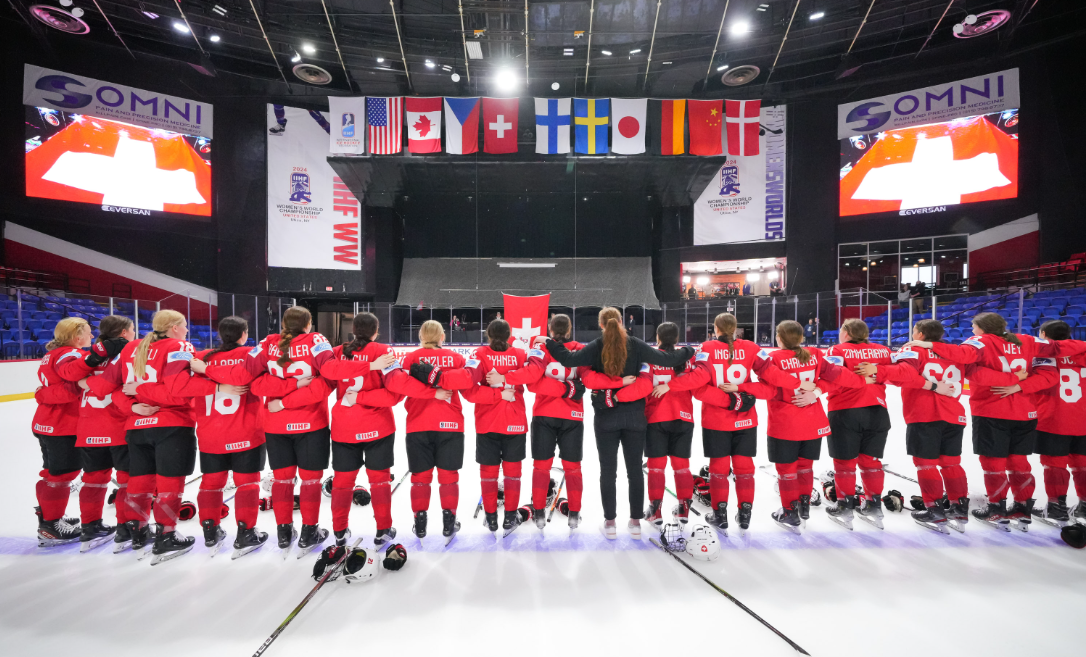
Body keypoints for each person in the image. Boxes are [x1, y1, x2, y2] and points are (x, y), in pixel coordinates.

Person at [193, 306, 365, 556]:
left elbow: (251, 380)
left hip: (275, 425)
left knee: (282, 480)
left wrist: (207, 369)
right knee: (310, 481)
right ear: (308, 324)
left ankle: (284, 534)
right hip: (311, 423)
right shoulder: (316, 340)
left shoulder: (267, 342)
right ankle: (309, 532)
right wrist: (295, 387)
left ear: (284, 323)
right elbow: (324, 383)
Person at [539, 307, 695, 539]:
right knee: (634, 472)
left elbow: (568, 358)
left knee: (608, 472)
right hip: (635, 418)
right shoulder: (635, 343)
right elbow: (668, 358)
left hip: (606, 417)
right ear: (622, 322)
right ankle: (635, 523)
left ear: (601, 325)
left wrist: (550, 342)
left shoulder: (596, 345)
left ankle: (610, 523)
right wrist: (690, 350)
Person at [904, 312, 1058, 529]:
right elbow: (1050, 372)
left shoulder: (980, 341)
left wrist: (930, 345)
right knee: (1019, 463)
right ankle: (1023, 508)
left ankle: (996, 508)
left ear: (982, 328)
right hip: (1026, 412)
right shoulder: (1028, 340)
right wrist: (1020, 383)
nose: (972, 331)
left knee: (993, 464)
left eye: (974, 327)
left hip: (991, 410)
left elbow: (971, 367)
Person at [655, 313, 805, 533]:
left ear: (716, 328)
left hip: (717, 420)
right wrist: (745, 392)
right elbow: (771, 386)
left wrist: (725, 400)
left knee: (718, 470)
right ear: (736, 329)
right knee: (745, 470)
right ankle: (745, 516)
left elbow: (697, 385)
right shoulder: (753, 348)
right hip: (746, 420)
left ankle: (720, 515)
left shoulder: (706, 347)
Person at [861, 319, 1012, 531]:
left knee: (926, 464)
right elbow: (981, 374)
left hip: (924, 415)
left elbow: (903, 374)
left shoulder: (915, 350)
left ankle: (934, 509)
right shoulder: (956, 354)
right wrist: (1014, 379)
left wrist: (877, 371)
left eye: (914, 331)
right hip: (954, 416)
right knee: (951, 464)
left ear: (920, 334)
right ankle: (959, 506)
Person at [83, 310, 205, 564]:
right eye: (184, 326)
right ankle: (166, 537)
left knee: (140, 481)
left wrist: (132, 406)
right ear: (173, 328)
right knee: (170, 483)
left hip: (137, 425)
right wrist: (143, 388)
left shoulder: (131, 348)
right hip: (172, 424)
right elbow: (178, 392)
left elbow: (105, 387)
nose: (187, 331)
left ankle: (137, 533)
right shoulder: (180, 346)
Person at [190, 317, 304, 558]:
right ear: (244, 334)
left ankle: (210, 531)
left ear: (221, 335)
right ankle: (245, 533)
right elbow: (260, 381)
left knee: (211, 483)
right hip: (246, 432)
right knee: (247, 483)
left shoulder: (201, 357)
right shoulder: (251, 354)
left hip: (211, 432)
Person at [756, 320, 869, 533]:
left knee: (787, 471)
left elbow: (766, 387)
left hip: (785, 423)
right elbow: (839, 378)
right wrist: (818, 392)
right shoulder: (815, 354)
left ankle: (790, 512)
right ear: (801, 337)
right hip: (813, 422)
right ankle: (804, 507)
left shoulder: (773, 358)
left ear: (779, 338)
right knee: (805, 467)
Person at [52, 316, 151, 552]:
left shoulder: (87, 358)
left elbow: (70, 376)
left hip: (88, 430)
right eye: (133, 330)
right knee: (128, 480)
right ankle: (127, 527)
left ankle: (90, 527)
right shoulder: (126, 358)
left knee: (93, 481)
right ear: (125, 333)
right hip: (118, 428)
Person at [384, 320, 476, 544]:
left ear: (421, 336)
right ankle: (448, 522)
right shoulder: (456, 358)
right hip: (451, 424)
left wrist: (426, 391)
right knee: (449, 478)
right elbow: (469, 383)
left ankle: (420, 521)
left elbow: (397, 384)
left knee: (420, 479)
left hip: (418, 424)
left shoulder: (410, 358)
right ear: (442, 336)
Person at [324, 313, 401, 547]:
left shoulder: (338, 352)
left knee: (342, 482)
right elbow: (394, 394)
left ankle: (339, 531)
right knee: (379, 481)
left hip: (344, 428)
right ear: (376, 331)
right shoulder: (383, 351)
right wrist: (364, 397)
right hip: (378, 427)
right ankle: (383, 529)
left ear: (353, 330)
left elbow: (326, 376)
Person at [818, 319, 898, 530]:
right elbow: (898, 374)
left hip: (846, 411)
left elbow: (831, 374)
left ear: (846, 332)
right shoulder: (882, 351)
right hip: (878, 411)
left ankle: (845, 507)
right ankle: (873, 505)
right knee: (871, 462)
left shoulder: (838, 349)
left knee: (845, 464)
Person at [462, 319, 536, 535]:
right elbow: (533, 378)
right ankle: (510, 518)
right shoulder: (520, 355)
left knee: (488, 474)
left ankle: (491, 518)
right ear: (509, 334)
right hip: (515, 422)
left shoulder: (479, 355)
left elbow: (467, 390)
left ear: (488, 334)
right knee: (513, 475)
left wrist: (494, 393)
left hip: (487, 422)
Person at [31, 318, 95, 547]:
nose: (92, 336)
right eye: (89, 333)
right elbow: (70, 383)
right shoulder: (72, 355)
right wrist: (83, 383)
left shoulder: (52, 353)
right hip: (62, 425)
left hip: (46, 422)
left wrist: (42, 394)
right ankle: (50, 525)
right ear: (77, 337)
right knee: (62, 475)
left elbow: (52, 389)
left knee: (51, 472)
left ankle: (48, 516)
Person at [519, 314, 586, 531]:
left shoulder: (540, 347)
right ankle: (574, 514)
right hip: (572, 416)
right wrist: (569, 389)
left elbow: (532, 383)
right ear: (569, 330)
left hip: (544, 414)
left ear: (550, 329)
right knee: (573, 468)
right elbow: (587, 380)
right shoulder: (581, 348)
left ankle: (539, 513)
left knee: (541, 467)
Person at [1027, 321, 1086, 524]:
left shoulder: (1043, 355)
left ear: (1044, 334)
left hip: (1053, 417)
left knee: (1054, 464)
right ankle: (1084, 506)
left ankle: (1056, 507)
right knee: (1082, 463)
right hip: (1083, 417)